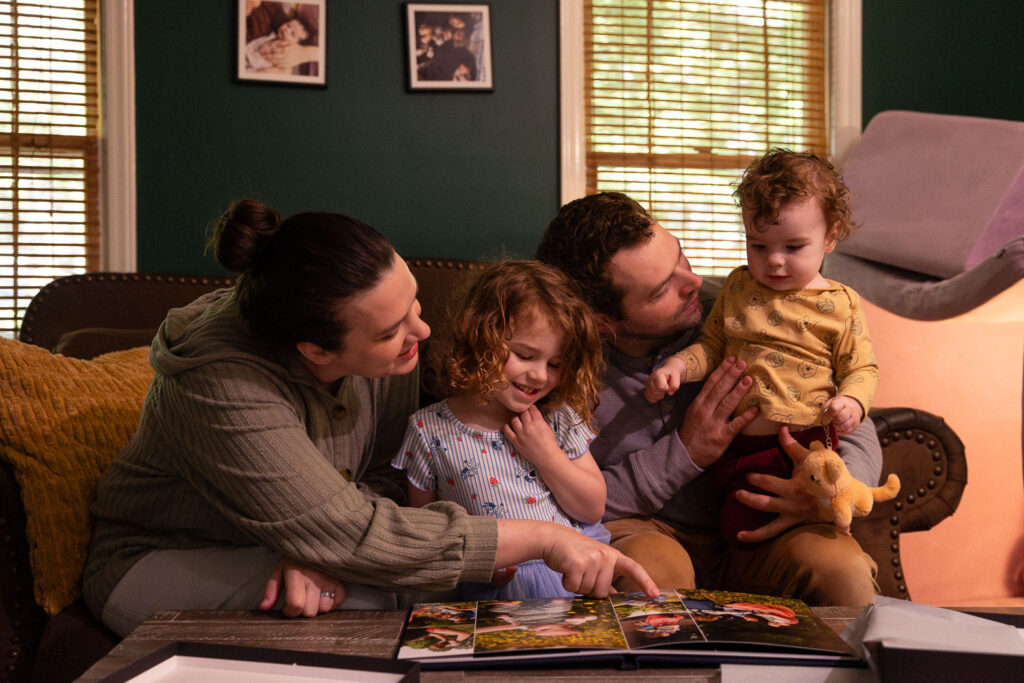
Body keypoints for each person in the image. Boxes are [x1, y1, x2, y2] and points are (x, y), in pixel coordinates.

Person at [82, 199, 657, 637]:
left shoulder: (390, 351)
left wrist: (313, 545)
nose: (424, 333)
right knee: (401, 605)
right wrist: (542, 539)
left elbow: (383, 479)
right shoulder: (221, 385)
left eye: (413, 304)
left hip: (305, 544)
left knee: (396, 584)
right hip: (164, 555)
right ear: (316, 352)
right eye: (391, 331)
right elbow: (356, 532)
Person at [536, 190, 883, 607]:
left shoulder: (741, 309)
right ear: (603, 321)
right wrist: (685, 451)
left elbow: (855, 416)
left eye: (680, 257)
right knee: (654, 576)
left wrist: (829, 491)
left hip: (765, 529)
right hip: (645, 528)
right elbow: (556, 500)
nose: (694, 282)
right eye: (663, 288)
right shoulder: (555, 370)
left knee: (841, 570)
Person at [645, 149, 880, 541]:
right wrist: (679, 366)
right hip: (739, 446)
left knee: (823, 526)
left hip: (807, 444)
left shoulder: (842, 304)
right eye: (758, 246)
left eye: (793, 248)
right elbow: (713, 344)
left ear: (831, 237)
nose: (774, 261)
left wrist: (853, 402)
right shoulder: (738, 287)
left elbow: (862, 368)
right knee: (739, 527)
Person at [393, 260, 609, 600]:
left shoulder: (556, 417)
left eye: (555, 364)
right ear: (481, 337)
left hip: (568, 575)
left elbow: (592, 507)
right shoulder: (428, 430)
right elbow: (427, 527)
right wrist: (475, 563)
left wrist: (547, 455)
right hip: (488, 585)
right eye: (525, 355)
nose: (540, 376)